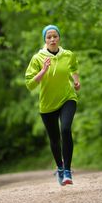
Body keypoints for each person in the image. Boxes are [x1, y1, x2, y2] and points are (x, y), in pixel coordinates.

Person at [25, 24, 80, 186]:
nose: (52, 39)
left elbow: (74, 68)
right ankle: (60, 168)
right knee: (55, 139)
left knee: (65, 129)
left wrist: (76, 81)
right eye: (49, 37)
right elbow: (30, 84)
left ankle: (68, 171)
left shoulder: (68, 55)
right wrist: (42, 71)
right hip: (47, 104)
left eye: (55, 36)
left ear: (59, 38)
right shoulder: (37, 58)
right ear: (45, 40)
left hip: (67, 98)